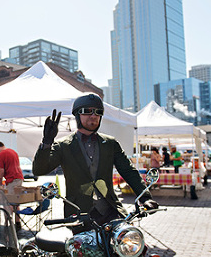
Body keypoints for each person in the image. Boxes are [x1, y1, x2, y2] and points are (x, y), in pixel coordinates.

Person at [33, 93, 158, 224]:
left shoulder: (110, 143)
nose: (93, 116)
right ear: (77, 115)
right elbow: (39, 170)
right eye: (87, 111)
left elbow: (128, 171)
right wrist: (47, 142)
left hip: (111, 211)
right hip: (78, 214)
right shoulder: (63, 145)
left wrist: (145, 197)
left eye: (98, 112)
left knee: (132, 241)